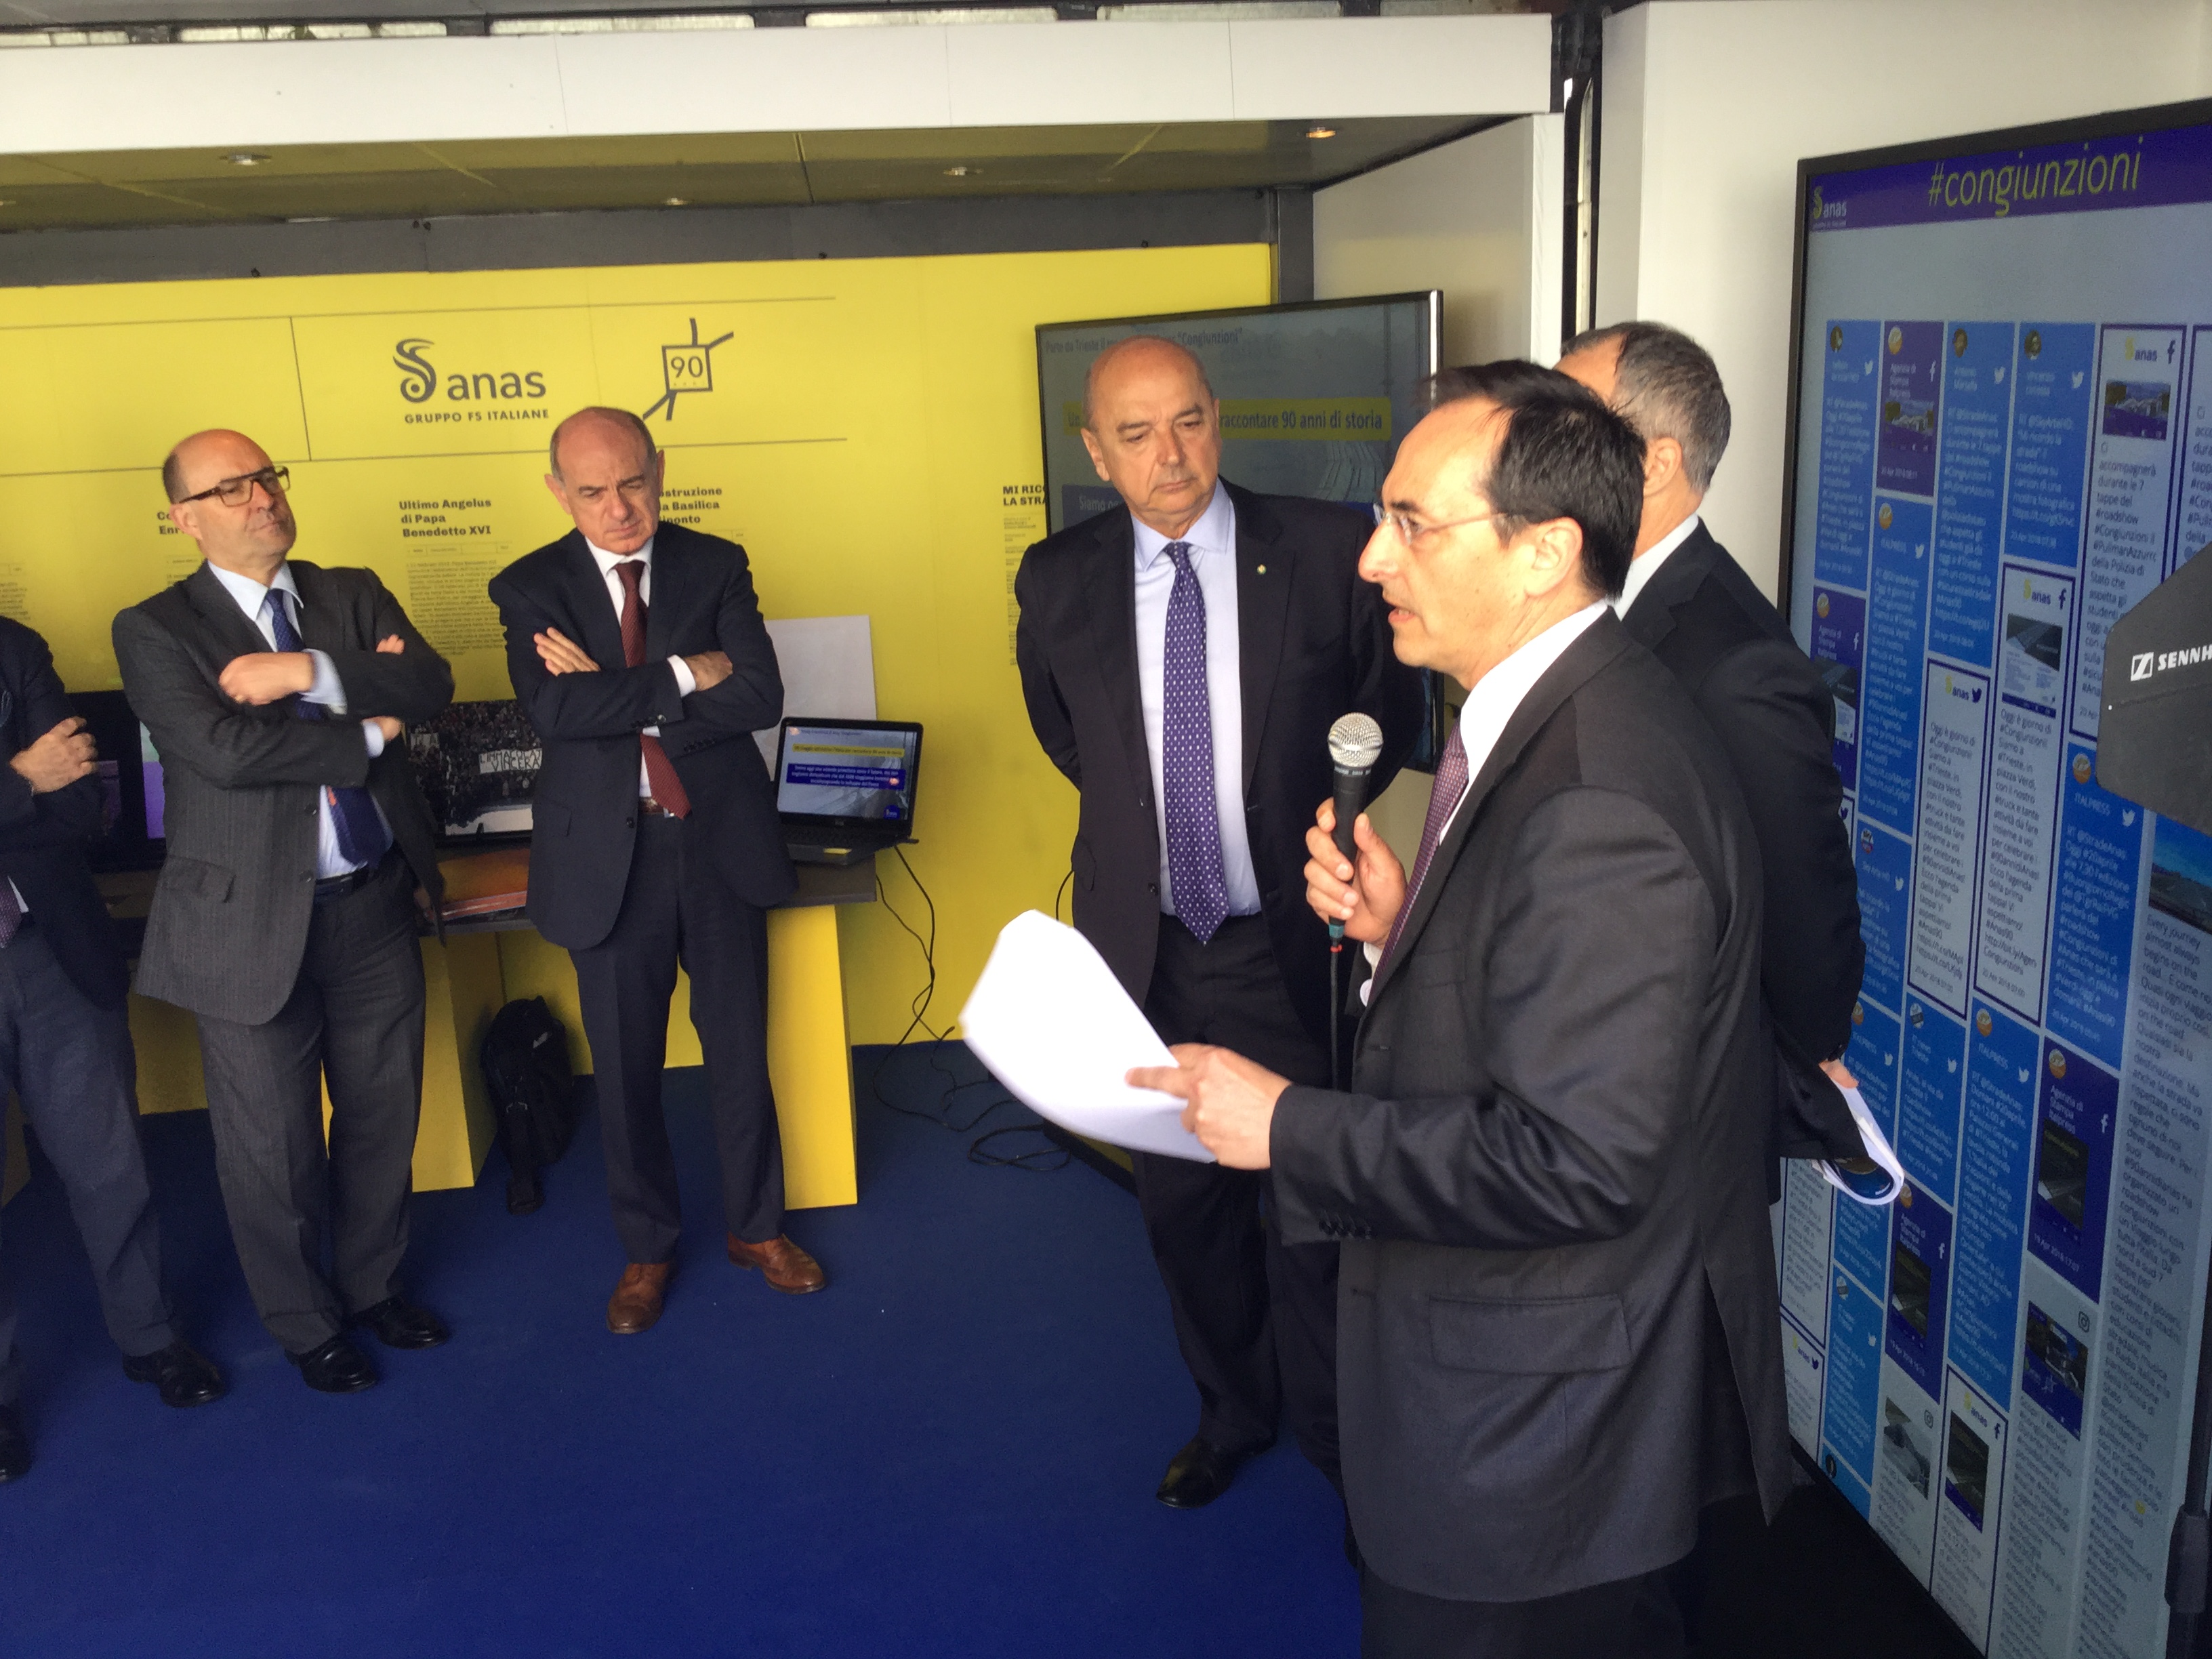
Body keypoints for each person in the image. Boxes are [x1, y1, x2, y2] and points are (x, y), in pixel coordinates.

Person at [1134, 367, 1790, 1656]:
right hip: (1514, 1399)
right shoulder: (1561, 709)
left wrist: (1286, 1125)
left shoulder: (1599, 791)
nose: (1372, 557)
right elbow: (1554, 994)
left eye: (1412, 524)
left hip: (1539, 1448)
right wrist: (1402, 931)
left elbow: (1573, 1160)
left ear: (1544, 551)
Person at [1015, 336, 1423, 1511]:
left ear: (1217, 417)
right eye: (1135, 434)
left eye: (1187, 420)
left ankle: (1343, 1447)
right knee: (1184, 1213)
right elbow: (1069, 736)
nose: (1170, 454)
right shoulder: (1056, 577)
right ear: (1095, 452)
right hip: (1146, 955)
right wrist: (1159, 825)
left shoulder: (1327, 548)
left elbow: (1386, 719)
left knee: (1317, 1213)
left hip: (1289, 947)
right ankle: (1232, 1412)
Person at [114, 430, 455, 1395]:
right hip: (242, 925)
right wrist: (371, 728)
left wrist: (308, 672)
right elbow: (225, 753)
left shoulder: (351, 592)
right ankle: (307, 1325)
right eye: (232, 488)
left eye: (267, 477)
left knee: (384, 1112)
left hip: (372, 901)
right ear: (185, 519)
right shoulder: (154, 628)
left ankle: (375, 1286)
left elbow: (431, 683)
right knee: (272, 1145)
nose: (262, 497)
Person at [489, 407, 820, 1336]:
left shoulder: (716, 563)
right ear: (558, 493)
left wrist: (614, 694)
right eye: (592, 491)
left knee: (740, 1051)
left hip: (718, 843)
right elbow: (557, 715)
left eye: (633, 482)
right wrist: (683, 672)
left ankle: (758, 1229)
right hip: (606, 857)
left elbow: (759, 695)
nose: (619, 507)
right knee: (626, 1067)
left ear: (660, 469)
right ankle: (648, 1249)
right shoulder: (529, 586)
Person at [1553, 322, 1868, 1185]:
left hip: (1682, 1133)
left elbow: (1807, 933)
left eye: (1570, 421)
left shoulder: (1737, 666)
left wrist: (1771, 1081)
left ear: (1656, 464)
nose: (1536, 443)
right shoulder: (1586, 599)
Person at [0, 621, 226, 1481]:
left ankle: (150, 1335)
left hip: (51, 949)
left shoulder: (13, 649)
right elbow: (42, 788)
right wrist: (20, 778)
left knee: (110, 1162)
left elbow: (80, 806)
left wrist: (39, 789)